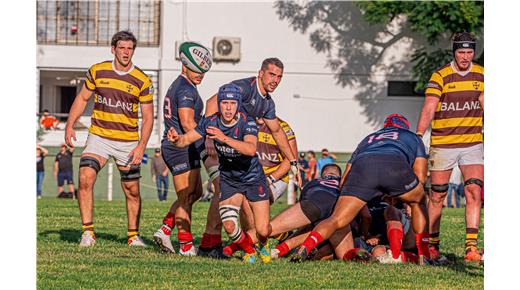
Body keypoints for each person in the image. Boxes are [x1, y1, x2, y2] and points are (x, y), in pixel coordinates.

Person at [290, 114, 431, 265]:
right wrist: (400, 193)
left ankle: (305, 247)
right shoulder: (412, 137)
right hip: (393, 165)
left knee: (336, 219)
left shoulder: (368, 139)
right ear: (405, 127)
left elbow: (345, 178)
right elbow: (421, 176)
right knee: (420, 201)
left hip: (363, 169)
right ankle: (424, 254)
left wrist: (349, 198)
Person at [198, 58, 302, 257]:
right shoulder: (245, 87)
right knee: (222, 188)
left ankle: (227, 243)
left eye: (279, 77)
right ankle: (209, 244)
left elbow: (278, 132)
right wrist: (209, 138)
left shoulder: (267, 102)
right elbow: (212, 102)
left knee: (242, 200)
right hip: (210, 141)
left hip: (231, 149)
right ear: (261, 73)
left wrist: (293, 161)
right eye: (272, 74)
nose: (276, 80)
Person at [64, 30, 154, 247]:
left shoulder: (142, 80)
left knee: (132, 190)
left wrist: (142, 146)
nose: (126, 52)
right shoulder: (98, 71)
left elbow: (149, 117)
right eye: (122, 48)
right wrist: (69, 125)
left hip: (128, 141)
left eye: (130, 48)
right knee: (85, 177)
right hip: (99, 137)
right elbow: (83, 98)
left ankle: (133, 236)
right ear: (113, 49)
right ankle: (88, 233)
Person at [167, 83, 272, 264]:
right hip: (230, 179)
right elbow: (187, 139)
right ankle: (249, 250)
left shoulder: (247, 122)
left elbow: (250, 149)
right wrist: (176, 140)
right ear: (220, 104)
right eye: (224, 103)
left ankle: (263, 244)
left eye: (232, 103)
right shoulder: (211, 121)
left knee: (263, 230)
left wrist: (223, 138)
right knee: (230, 226)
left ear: (238, 104)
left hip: (253, 178)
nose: (228, 108)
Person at [416, 32, 484, 262]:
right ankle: (432, 245)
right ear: (454, 52)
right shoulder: (441, 76)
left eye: (469, 52)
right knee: (437, 195)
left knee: (474, 190)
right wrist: (418, 135)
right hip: (443, 143)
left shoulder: (482, 75)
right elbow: (429, 109)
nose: (465, 56)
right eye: (461, 52)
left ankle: (471, 248)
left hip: (473, 142)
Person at [153, 41, 212, 256]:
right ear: (185, 64)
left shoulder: (182, 84)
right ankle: (186, 246)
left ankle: (165, 228)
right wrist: (206, 141)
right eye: (196, 69)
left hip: (184, 146)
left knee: (195, 193)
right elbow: (187, 123)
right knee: (186, 196)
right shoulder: (186, 89)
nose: (200, 74)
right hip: (180, 146)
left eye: (203, 71)